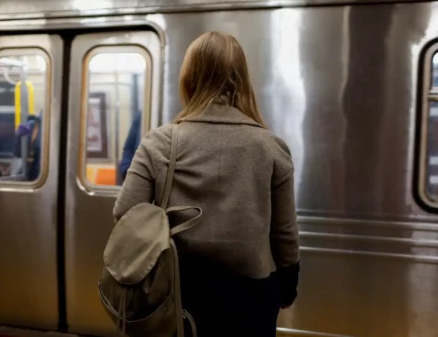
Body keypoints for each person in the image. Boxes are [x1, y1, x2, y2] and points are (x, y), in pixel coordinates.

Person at [112, 31, 300, 337]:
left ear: (189, 78)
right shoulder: (271, 147)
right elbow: (285, 234)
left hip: (177, 295)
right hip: (252, 301)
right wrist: (288, 289)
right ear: (241, 80)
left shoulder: (160, 143)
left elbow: (125, 213)